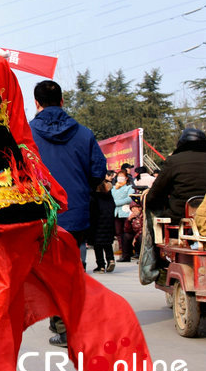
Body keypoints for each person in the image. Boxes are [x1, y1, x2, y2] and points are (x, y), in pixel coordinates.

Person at [29, 80, 107, 346]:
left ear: (36, 103)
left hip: (40, 214)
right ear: (62, 101)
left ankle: (64, 325)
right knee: (74, 267)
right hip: (76, 212)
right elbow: (98, 172)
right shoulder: (84, 134)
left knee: (48, 269)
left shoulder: (27, 134)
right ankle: (68, 321)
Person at [147, 128, 206, 222]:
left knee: (150, 206)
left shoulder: (174, 160)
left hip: (181, 216)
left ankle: (153, 236)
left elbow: (155, 194)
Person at [90, 177, 117, 272]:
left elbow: (92, 209)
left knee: (97, 245)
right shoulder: (109, 195)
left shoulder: (94, 196)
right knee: (107, 244)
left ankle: (101, 266)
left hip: (97, 223)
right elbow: (113, 206)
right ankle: (111, 259)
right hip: (109, 222)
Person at [112, 168, 134, 261]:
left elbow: (129, 198)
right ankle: (122, 250)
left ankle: (128, 252)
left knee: (127, 232)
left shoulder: (129, 187)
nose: (120, 179)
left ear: (126, 178)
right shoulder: (114, 187)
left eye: (122, 177)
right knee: (118, 232)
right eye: (119, 177)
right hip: (116, 213)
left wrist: (117, 202)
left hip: (125, 212)